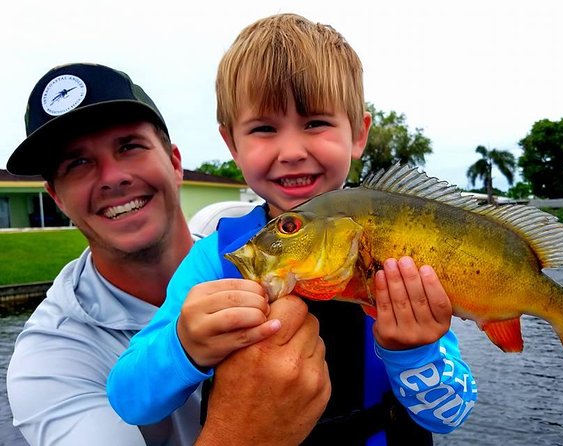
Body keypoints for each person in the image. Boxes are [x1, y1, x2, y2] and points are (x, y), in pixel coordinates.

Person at [108, 13, 477, 445]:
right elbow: (128, 399)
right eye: (264, 129)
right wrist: (184, 345)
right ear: (232, 144)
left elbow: (450, 414)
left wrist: (414, 351)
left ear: (358, 134)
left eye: (316, 123)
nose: (292, 151)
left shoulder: (399, 248)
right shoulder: (217, 260)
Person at [5, 62, 330, 446]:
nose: (112, 177)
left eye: (129, 146)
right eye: (78, 163)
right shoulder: (49, 363)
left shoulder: (236, 237)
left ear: (175, 162)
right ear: (56, 198)